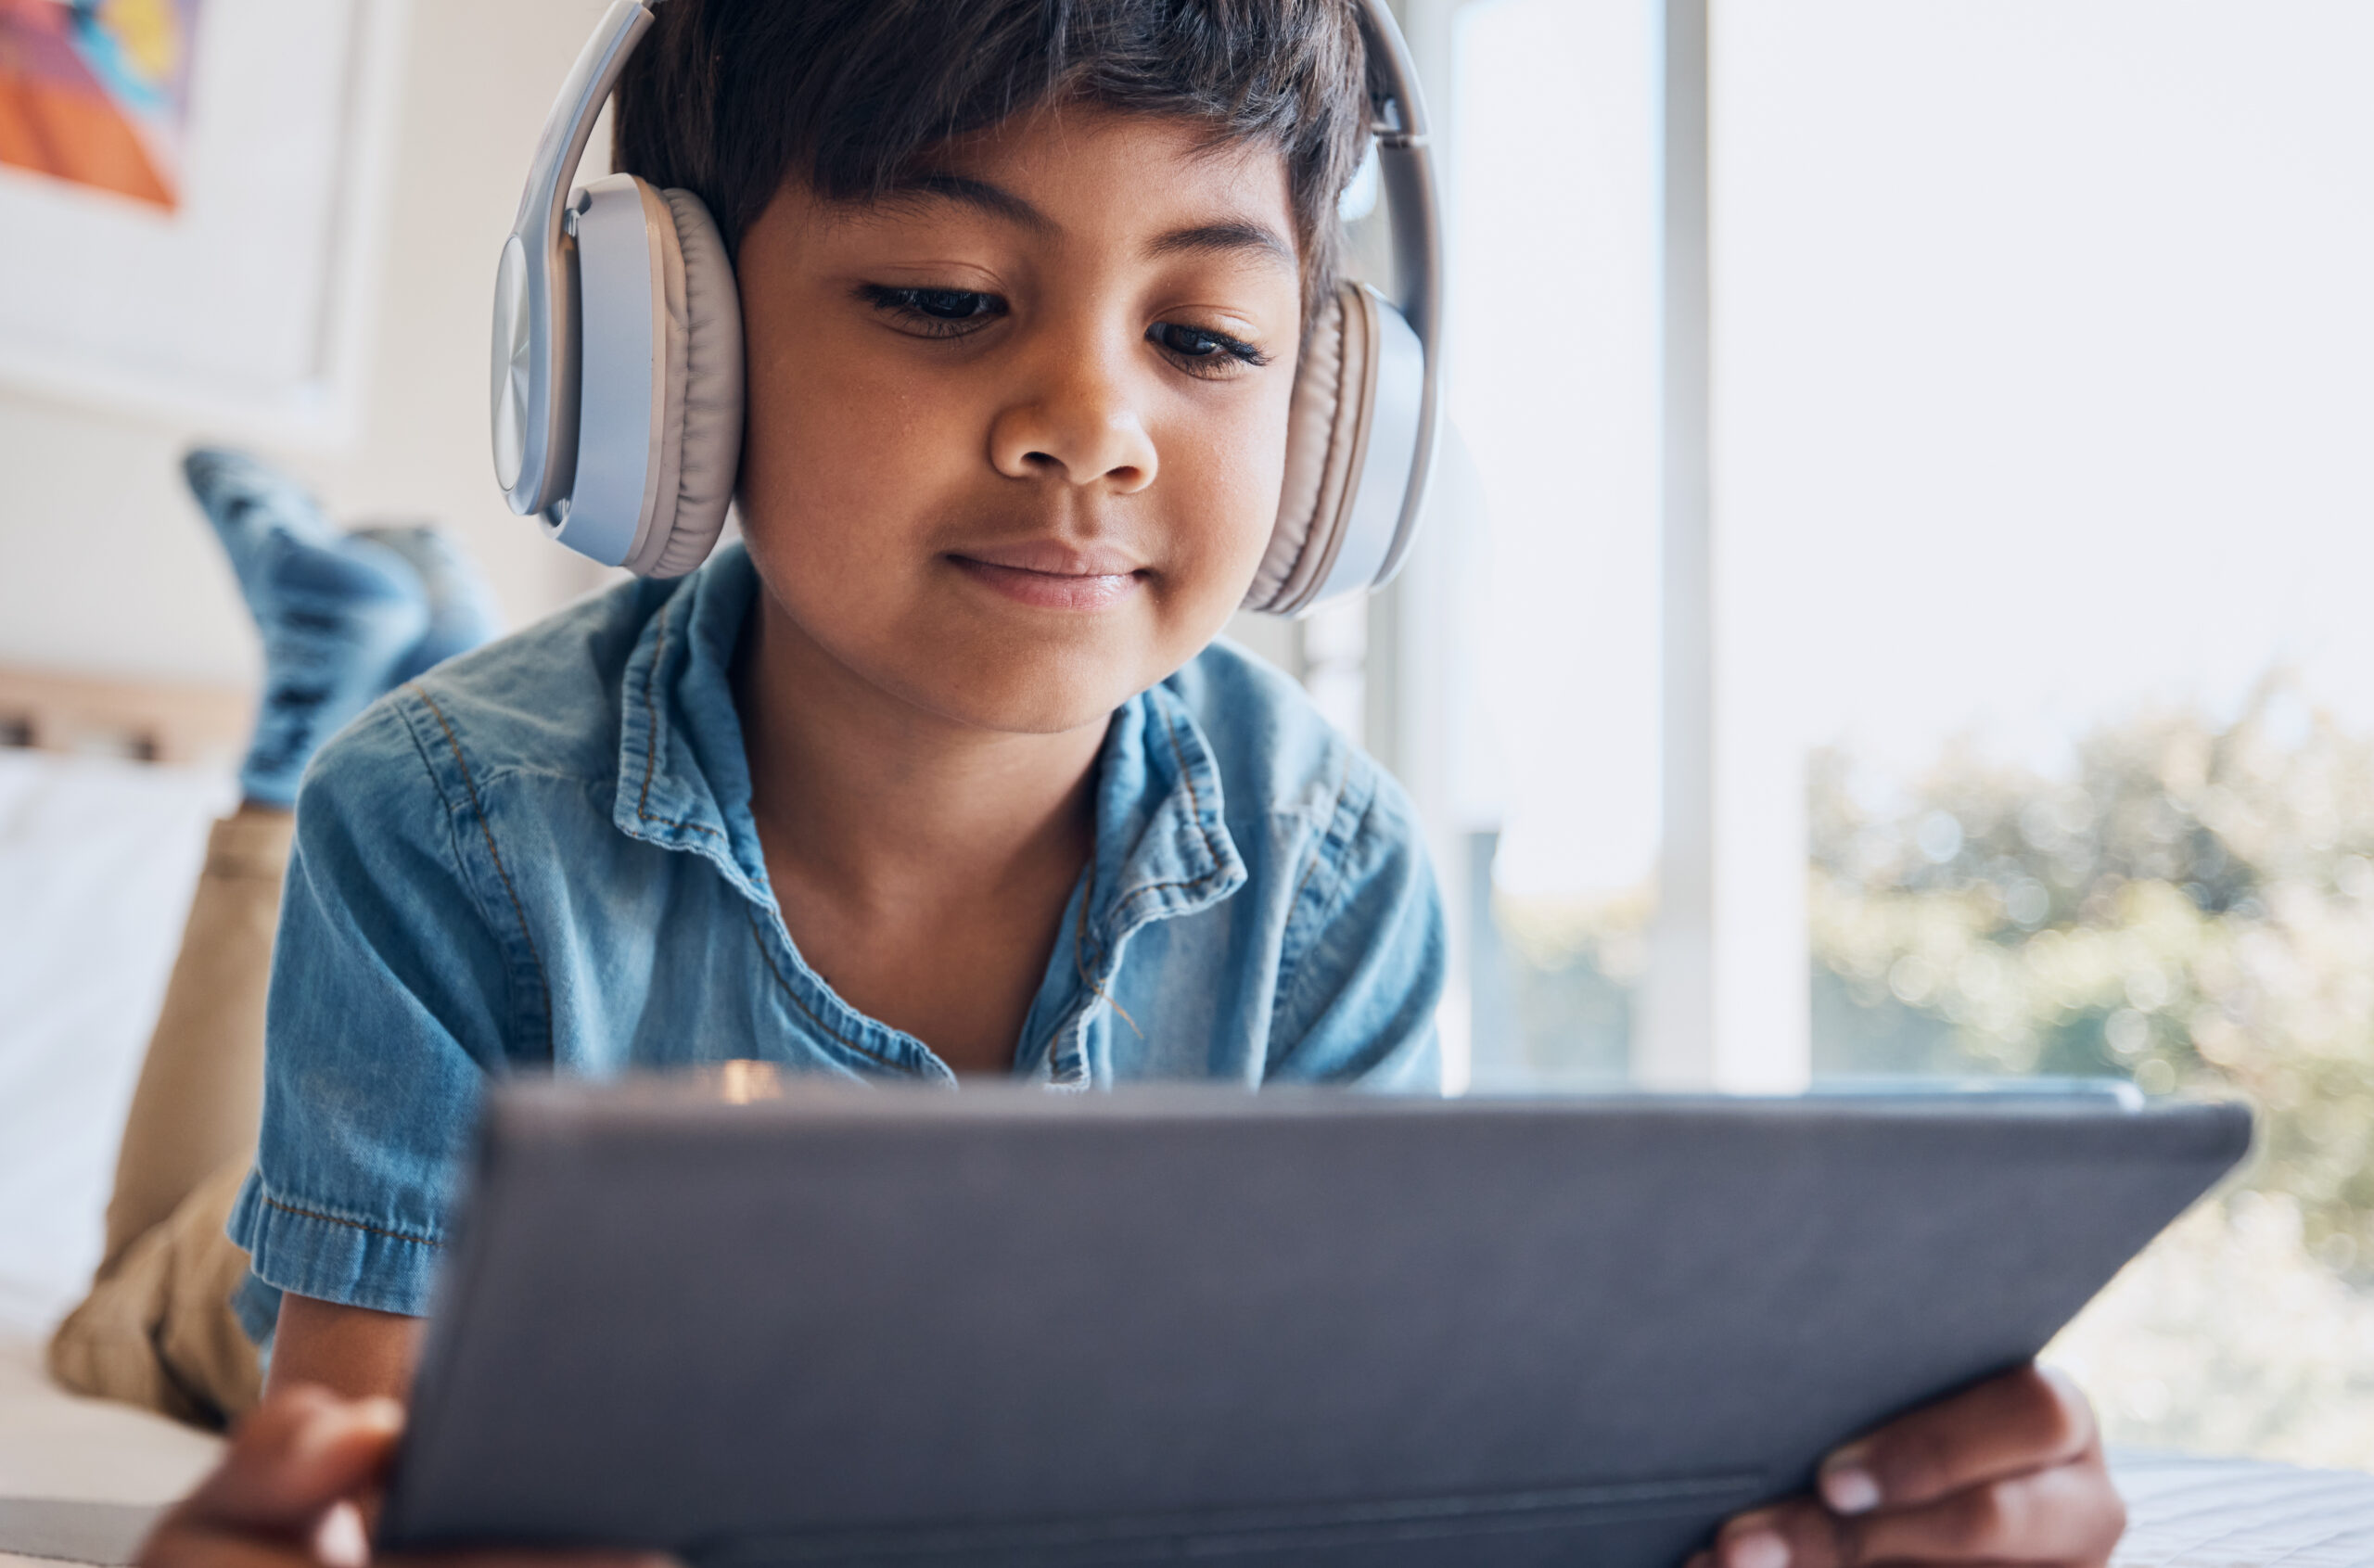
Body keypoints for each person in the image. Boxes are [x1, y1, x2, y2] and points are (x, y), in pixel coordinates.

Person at [143, 4, 2129, 1566]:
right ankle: (328, 675)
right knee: (160, 1284)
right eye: (940, 294)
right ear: (669, 356)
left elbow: (1356, 1465)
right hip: (305, 1224)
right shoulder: (438, 820)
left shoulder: (1333, 874)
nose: (1089, 426)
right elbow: (365, 1481)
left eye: (1204, 331)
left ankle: (353, 619)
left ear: (1333, 420)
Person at [46, 449, 500, 1430]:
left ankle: (369, 717)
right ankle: (412, 726)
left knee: (112, 1313)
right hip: (450, 1248)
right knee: (148, 1284)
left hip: (423, 1258)